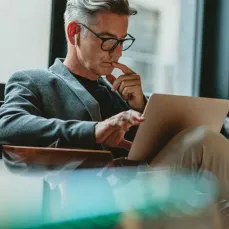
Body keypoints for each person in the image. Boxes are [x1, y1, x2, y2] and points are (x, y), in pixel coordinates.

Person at [0, 0, 229, 217]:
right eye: (108, 40)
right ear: (74, 32)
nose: (118, 53)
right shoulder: (34, 80)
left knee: (221, 207)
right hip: (97, 196)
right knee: (204, 142)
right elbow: (7, 125)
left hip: (149, 187)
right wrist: (94, 131)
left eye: (122, 41)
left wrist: (141, 106)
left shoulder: (121, 93)